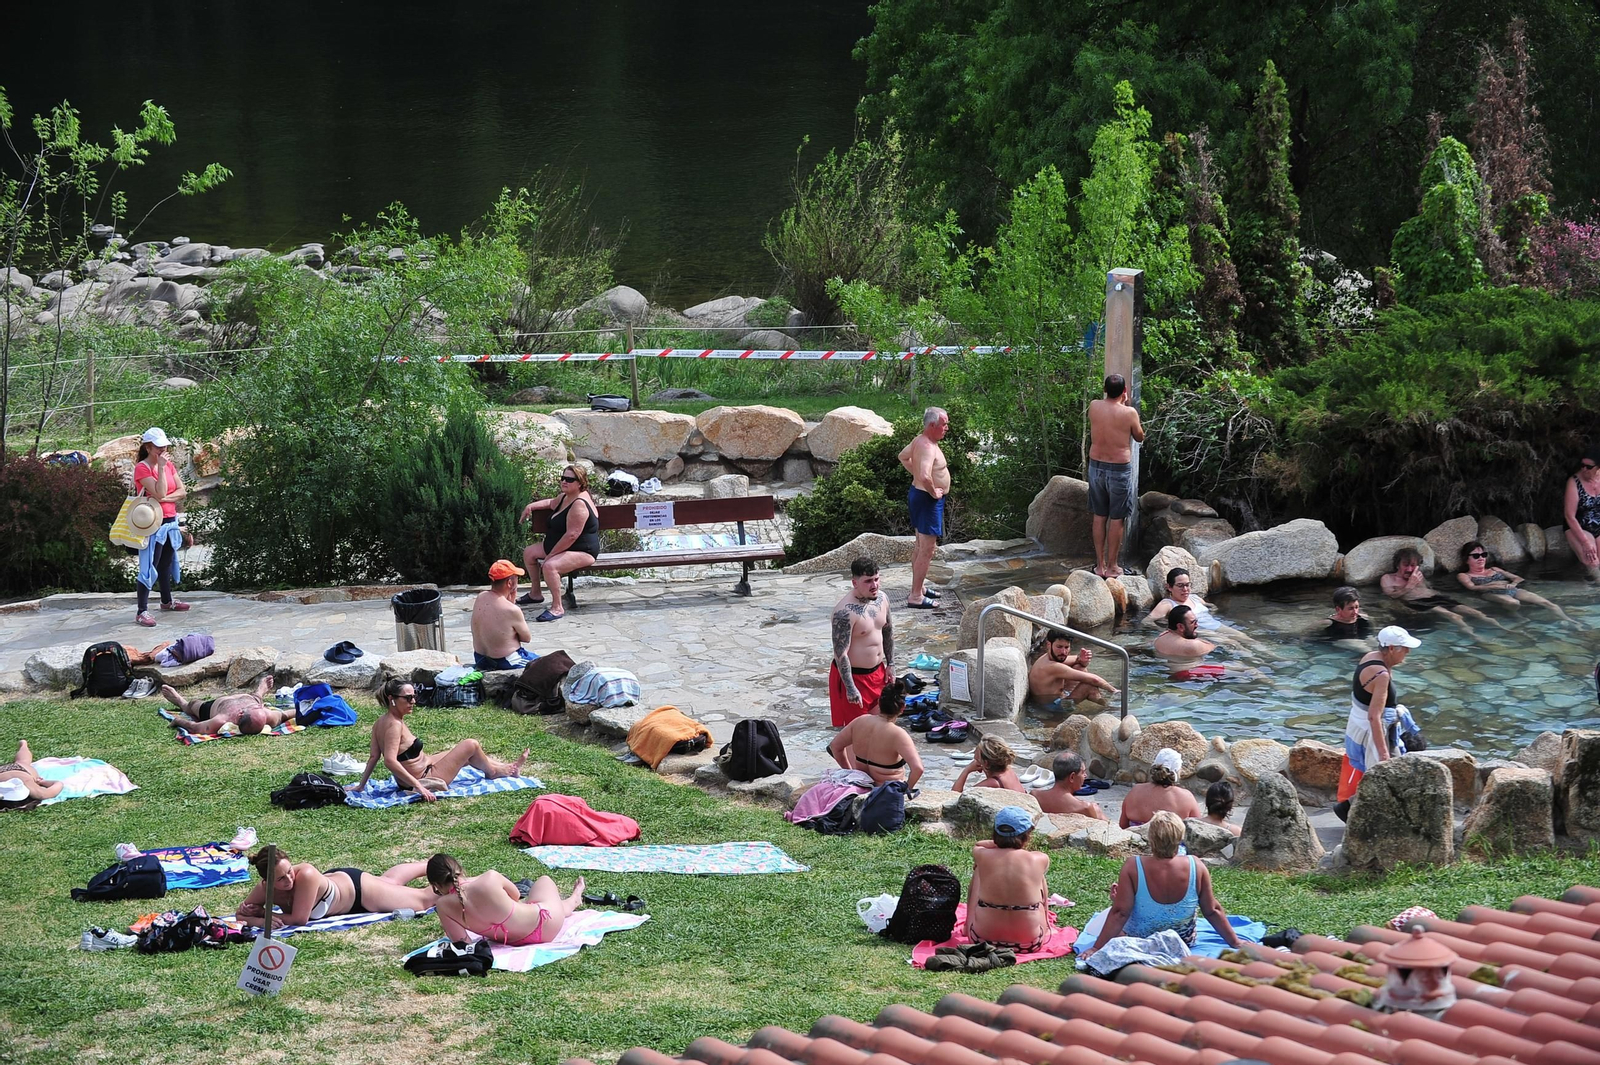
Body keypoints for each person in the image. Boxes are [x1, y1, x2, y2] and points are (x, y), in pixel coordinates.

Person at [1085, 811, 1241, 956]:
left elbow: (1120, 913)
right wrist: (1235, 942)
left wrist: (1096, 948)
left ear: (1151, 838)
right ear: (1180, 838)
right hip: (1181, 941)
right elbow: (1212, 910)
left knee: (1107, 921)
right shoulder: (1196, 866)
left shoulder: (1133, 866)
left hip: (1140, 940)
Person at [350, 678, 529, 801]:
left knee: (461, 754)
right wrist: (420, 787)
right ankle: (494, 772)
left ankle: (506, 767)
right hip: (423, 777)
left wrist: (360, 786)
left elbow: (373, 757)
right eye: (408, 698)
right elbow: (389, 761)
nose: (413, 701)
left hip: (423, 767)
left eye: (414, 696)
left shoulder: (381, 722)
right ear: (392, 699)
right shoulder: (394, 725)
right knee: (471, 745)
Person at [235, 848, 439, 933]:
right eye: (280, 879)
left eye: (289, 871)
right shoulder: (263, 889)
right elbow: (241, 915)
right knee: (389, 881)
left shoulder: (305, 874)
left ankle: (451, 878)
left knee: (424, 900)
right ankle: (428, 864)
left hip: (359, 891)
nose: (289, 879)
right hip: (339, 889)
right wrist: (260, 920)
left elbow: (299, 919)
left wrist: (263, 913)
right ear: (267, 881)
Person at [1336, 625, 1420, 819]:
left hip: (1359, 725)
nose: (1408, 652)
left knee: (1383, 777)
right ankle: (1349, 810)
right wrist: (1383, 753)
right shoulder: (1381, 675)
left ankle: (1350, 809)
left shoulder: (1370, 657)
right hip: (1374, 731)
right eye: (1404, 648)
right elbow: (1374, 716)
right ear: (1391, 648)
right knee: (1388, 776)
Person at [426, 853, 584, 946]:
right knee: (544, 881)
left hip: (509, 941)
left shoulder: (443, 906)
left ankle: (568, 904)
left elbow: (463, 943)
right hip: (546, 927)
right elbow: (515, 896)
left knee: (538, 903)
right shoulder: (490, 877)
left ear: (436, 885)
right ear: (460, 870)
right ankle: (574, 900)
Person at [518, 464, 601, 622]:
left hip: (582, 550)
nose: (564, 481)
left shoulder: (579, 504)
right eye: (562, 478)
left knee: (550, 566)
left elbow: (572, 535)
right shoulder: (565, 497)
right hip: (561, 545)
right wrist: (530, 506)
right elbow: (551, 503)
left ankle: (557, 607)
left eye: (569, 479)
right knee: (529, 552)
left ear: (580, 483)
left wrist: (551, 555)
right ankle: (535, 593)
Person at [964, 807, 1052, 953]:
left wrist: (999, 844)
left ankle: (967, 924)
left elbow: (979, 844)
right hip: (1030, 943)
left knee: (980, 868)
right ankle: (1047, 924)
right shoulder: (1039, 859)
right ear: (1027, 836)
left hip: (981, 940)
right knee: (1038, 876)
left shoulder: (982, 855)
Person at [1086, 374, 1145, 578]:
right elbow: (1139, 436)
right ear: (1124, 391)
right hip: (1118, 469)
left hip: (1096, 466)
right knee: (1117, 518)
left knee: (1099, 515)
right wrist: (1125, 404)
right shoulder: (1129, 413)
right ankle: (1112, 567)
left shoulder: (1094, 406)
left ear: (1104, 390)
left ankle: (1099, 566)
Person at [132, 427, 189, 627]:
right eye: (158, 447)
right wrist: (162, 470)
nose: (163, 450)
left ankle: (166, 600)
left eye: (164, 446)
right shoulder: (142, 468)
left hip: (170, 520)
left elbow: (182, 491)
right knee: (149, 566)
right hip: (152, 522)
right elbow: (160, 491)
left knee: (166, 562)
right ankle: (141, 610)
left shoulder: (169, 465)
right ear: (148, 447)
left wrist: (163, 498)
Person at [828, 557, 894, 727]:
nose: (874, 585)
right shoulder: (844, 612)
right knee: (856, 732)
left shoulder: (882, 599)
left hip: (878, 674)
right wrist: (850, 688)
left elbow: (887, 631)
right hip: (854, 677)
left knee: (881, 727)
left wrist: (891, 664)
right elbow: (840, 653)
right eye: (868, 581)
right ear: (855, 583)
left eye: (876, 579)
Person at [1380, 546, 1502, 636]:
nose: (1409, 569)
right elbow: (1391, 596)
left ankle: (1503, 629)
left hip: (1436, 598)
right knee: (1454, 616)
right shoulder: (1388, 579)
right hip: (1419, 602)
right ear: (1397, 565)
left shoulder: (1418, 575)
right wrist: (1409, 585)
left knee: (1475, 613)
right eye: (1406, 565)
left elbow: (1428, 588)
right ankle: (1475, 636)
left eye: (1413, 565)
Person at [826, 680, 924, 790]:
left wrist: (850, 772)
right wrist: (907, 790)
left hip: (862, 785)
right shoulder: (898, 734)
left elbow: (835, 746)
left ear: (879, 703)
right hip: (886, 790)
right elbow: (918, 769)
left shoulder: (860, 721)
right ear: (903, 708)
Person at [898, 407, 950, 608]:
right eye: (944, 424)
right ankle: (915, 596)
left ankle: (918, 589)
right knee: (927, 550)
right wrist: (933, 492)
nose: (946, 428)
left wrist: (917, 476)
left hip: (919, 496)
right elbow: (926, 475)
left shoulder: (919, 441)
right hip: (927, 500)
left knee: (920, 546)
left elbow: (903, 457)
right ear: (932, 425)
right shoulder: (928, 447)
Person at [1455, 541, 1577, 625]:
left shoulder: (1495, 569)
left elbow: (1518, 578)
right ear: (1466, 559)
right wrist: (1492, 585)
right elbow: (1471, 587)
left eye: (1483, 555)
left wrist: (1513, 584)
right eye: (1476, 556)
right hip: (1490, 593)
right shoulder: (1464, 575)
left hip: (1512, 589)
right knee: (1513, 602)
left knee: (1546, 603)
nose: (1481, 558)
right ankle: (1513, 614)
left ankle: (1571, 621)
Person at [160, 674, 293, 736]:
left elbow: (194, 728)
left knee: (193, 705)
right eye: (260, 708)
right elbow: (286, 714)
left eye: (258, 708)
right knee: (256, 699)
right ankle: (259, 693)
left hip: (213, 707)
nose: (263, 707)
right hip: (251, 697)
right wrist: (306, 706)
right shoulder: (267, 714)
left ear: (240, 714)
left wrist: (178, 721)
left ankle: (181, 702)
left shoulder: (221, 720)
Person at [1147, 568, 1253, 644]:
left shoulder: (1195, 598)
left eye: (1187, 585)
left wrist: (1213, 610)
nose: (1185, 589)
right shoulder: (1167, 604)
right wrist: (1168, 631)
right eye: (1180, 586)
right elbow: (1147, 621)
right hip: (1200, 631)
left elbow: (1210, 606)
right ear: (1169, 587)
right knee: (1233, 644)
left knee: (1245, 638)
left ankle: (1264, 657)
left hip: (1216, 624)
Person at [472, 559, 538, 670]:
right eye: (517, 578)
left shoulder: (481, 597)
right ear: (509, 583)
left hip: (480, 659)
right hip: (504, 660)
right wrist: (512, 604)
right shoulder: (512, 610)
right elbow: (526, 638)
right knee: (547, 665)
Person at [1029, 630, 1117, 710]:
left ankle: (1102, 703)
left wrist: (1083, 660)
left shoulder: (1050, 658)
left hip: (1058, 697)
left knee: (1079, 667)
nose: (1063, 652)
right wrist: (1114, 691)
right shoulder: (1051, 667)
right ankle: (1109, 708)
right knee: (1089, 686)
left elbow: (1077, 659)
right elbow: (1094, 680)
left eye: (1066, 647)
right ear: (1049, 644)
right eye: (1059, 647)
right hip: (1052, 708)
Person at [1119, 748, 1200, 828]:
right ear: (1176, 771)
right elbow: (1198, 827)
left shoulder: (1135, 791)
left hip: (1137, 836)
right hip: (1170, 837)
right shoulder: (1186, 797)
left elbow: (1123, 825)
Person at [1154, 605, 1227, 680]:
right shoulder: (1192, 645)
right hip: (1187, 676)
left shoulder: (1160, 638)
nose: (1197, 625)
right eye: (1193, 622)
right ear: (1180, 627)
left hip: (1171, 673)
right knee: (1233, 668)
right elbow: (1215, 646)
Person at [1033, 752, 1107, 821]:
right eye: (1083, 772)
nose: (1085, 776)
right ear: (1072, 777)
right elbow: (1106, 828)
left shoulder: (1035, 796)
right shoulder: (1086, 808)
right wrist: (1096, 810)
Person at [1563, 447, 1600, 580]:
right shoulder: (1574, 482)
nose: (1584, 469)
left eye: (1588, 467)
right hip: (1579, 525)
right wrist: (1585, 542)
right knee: (1592, 562)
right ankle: (1597, 589)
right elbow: (1569, 516)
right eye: (1582, 465)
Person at [0, 740, 64, 812]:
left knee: (23, 761)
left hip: (21, 771)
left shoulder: (38, 792)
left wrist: (43, 782)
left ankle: (24, 745)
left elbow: (58, 784)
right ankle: (24, 745)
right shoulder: (36, 792)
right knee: (22, 761)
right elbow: (59, 784)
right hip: (16, 771)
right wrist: (42, 782)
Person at [953, 736, 1024, 793]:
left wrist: (966, 770)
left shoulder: (993, 783)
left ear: (986, 763)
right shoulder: (1009, 770)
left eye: (977, 760)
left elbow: (956, 796)